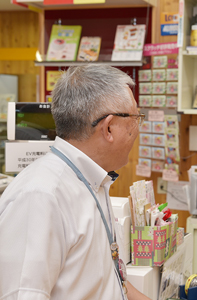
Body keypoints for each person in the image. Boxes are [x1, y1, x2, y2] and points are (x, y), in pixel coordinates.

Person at [0, 65, 150, 300]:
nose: (137, 128)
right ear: (108, 127)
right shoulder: (41, 195)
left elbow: (107, 280)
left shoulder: (94, 180)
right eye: (135, 118)